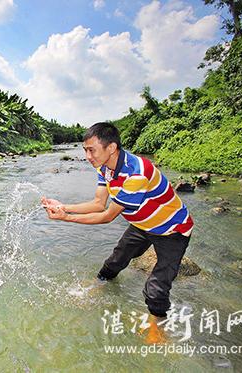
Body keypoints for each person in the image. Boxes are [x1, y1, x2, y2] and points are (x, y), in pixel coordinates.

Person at [42, 122, 193, 339]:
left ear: (111, 148)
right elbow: (97, 203)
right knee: (116, 259)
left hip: (172, 230)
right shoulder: (104, 167)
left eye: (91, 149)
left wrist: (66, 218)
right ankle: (100, 283)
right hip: (142, 224)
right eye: (85, 150)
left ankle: (157, 328)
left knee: (157, 286)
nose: (87, 156)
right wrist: (63, 206)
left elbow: (107, 216)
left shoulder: (136, 174)